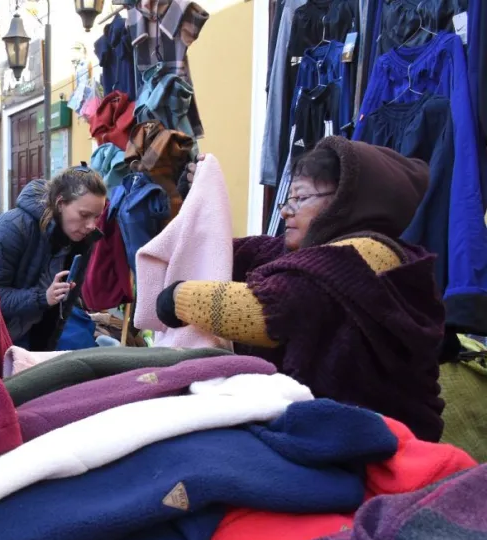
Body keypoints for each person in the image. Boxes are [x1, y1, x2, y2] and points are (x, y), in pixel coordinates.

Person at [157, 137, 445, 440]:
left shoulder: (366, 254)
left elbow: (266, 312)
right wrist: (199, 207)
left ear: (345, 201)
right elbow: (232, 252)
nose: (285, 212)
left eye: (300, 198)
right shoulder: (315, 250)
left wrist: (180, 297)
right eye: (287, 200)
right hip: (341, 429)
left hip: (381, 438)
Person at [0, 166, 106, 350]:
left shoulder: (81, 238)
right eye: (84, 215)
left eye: (97, 217)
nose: (91, 226)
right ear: (60, 203)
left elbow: (66, 305)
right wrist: (43, 297)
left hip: (37, 337)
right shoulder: (8, 230)